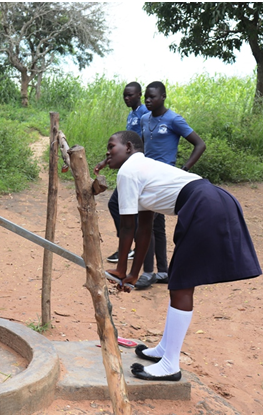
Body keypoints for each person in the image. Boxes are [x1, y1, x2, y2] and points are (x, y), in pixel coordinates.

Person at [104, 130, 260, 381]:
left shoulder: (128, 171)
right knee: (179, 280)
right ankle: (165, 351)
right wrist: (134, 274)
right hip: (212, 200)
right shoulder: (143, 168)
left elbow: (126, 227)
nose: (108, 153)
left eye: (112, 146)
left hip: (203, 204)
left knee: (181, 285)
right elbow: (144, 229)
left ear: (129, 148)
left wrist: (121, 270)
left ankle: (170, 365)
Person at [134, 81, 206, 288]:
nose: (148, 100)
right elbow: (141, 146)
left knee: (144, 224)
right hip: (146, 177)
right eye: (146, 97)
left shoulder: (173, 119)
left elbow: (199, 144)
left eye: (153, 97)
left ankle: (148, 272)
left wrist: (184, 169)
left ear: (163, 97)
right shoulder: (145, 119)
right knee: (156, 225)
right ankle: (163, 271)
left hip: (164, 180)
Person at [94, 82, 149, 265]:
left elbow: (142, 143)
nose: (127, 98)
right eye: (125, 95)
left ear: (139, 94)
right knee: (118, 205)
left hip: (138, 168)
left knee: (123, 206)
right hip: (129, 165)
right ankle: (129, 247)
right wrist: (107, 160)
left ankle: (131, 249)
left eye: (131, 95)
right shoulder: (131, 114)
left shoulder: (144, 114)